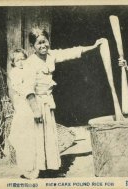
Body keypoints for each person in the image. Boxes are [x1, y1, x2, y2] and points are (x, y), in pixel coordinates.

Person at [20, 28, 104, 179]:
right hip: (35, 105)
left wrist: (93, 46)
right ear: (33, 46)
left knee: (48, 136)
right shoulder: (30, 63)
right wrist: (35, 111)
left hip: (47, 103)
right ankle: (34, 171)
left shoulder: (51, 55)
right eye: (38, 43)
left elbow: (70, 52)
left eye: (44, 41)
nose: (43, 46)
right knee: (36, 137)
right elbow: (28, 90)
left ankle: (49, 169)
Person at [7, 49, 40, 179]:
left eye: (23, 59)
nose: (21, 62)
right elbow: (23, 89)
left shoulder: (28, 71)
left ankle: (34, 166)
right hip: (23, 107)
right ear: (13, 63)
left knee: (32, 137)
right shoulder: (14, 73)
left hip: (29, 106)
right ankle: (27, 168)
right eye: (17, 60)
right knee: (23, 138)